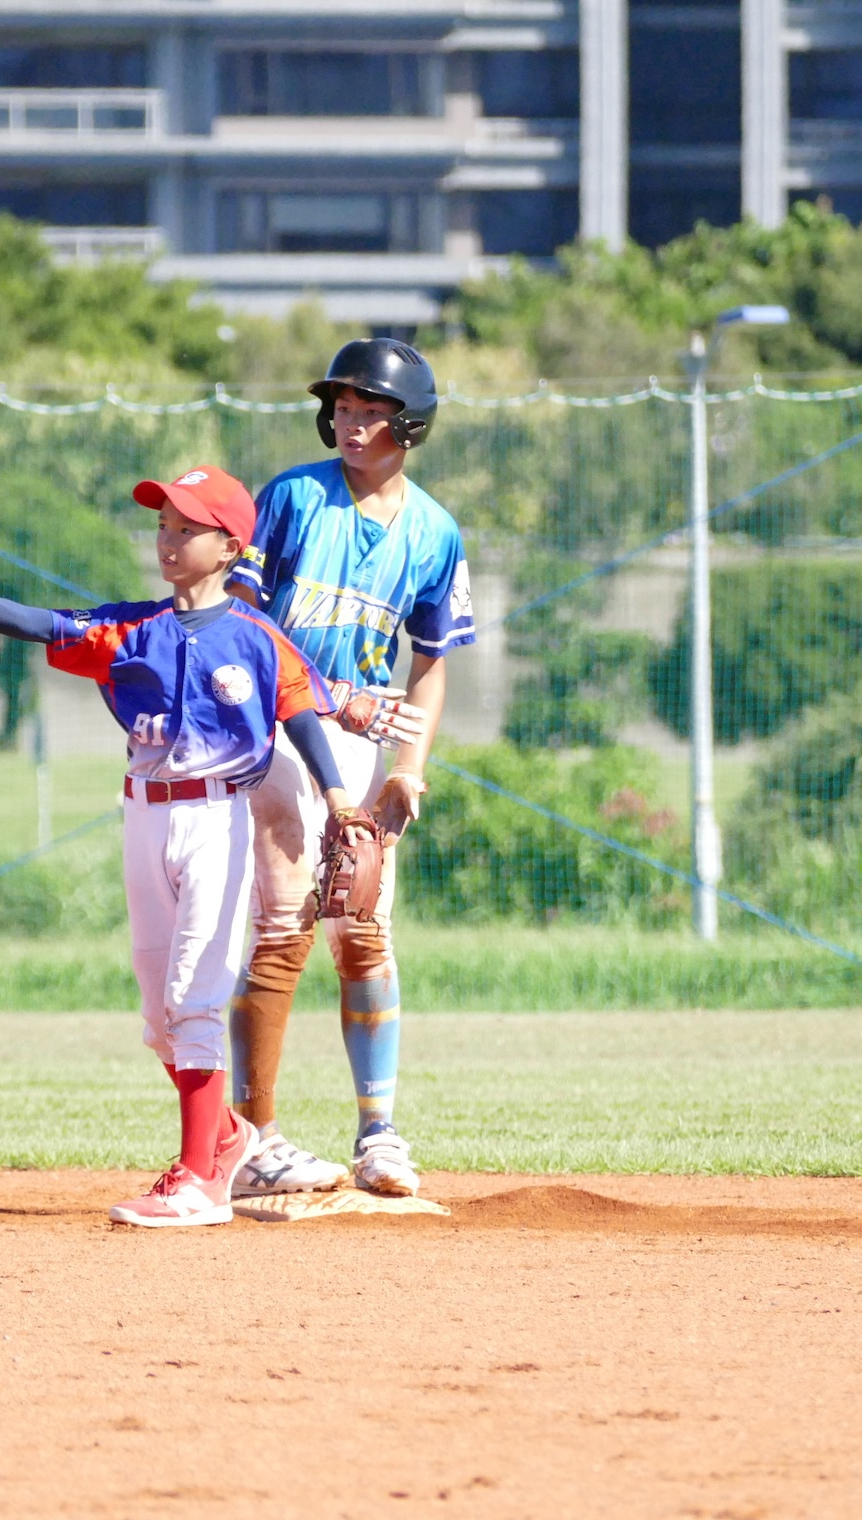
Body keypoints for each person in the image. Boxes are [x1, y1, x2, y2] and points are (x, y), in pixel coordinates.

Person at [0, 465, 368, 1228]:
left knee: (198, 992)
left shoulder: (255, 637)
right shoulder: (131, 629)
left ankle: (200, 1180)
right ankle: (226, 1137)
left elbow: (298, 712)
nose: (168, 539)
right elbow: (46, 624)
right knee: (158, 1014)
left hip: (217, 821)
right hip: (144, 817)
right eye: (164, 525)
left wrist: (335, 796)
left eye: (187, 528)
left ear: (231, 546)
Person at [224, 338, 476, 1199]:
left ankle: (380, 1132)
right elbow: (242, 628)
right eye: (342, 407)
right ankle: (252, 1137)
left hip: (369, 740)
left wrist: (412, 766)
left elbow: (433, 660)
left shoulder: (435, 532)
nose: (350, 422)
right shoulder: (294, 497)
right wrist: (333, 696)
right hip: (280, 732)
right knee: (287, 918)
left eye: (370, 410)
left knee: (364, 928)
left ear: (409, 424)